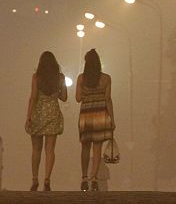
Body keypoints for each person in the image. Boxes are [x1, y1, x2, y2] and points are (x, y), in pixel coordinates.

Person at [25, 51, 67, 191]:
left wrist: (28, 116)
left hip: (38, 113)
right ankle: (47, 178)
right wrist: (58, 91)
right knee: (50, 149)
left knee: (36, 150)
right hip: (53, 112)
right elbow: (64, 97)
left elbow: (33, 97)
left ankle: (35, 179)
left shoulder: (36, 77)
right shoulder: (60, 77)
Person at [76, 49, 115, 191]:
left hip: (86, 115)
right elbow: (108, 99)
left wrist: (87, 95)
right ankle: (94, 178)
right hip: (100, 115)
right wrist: (112, 119)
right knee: (97, 148)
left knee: (85, 148)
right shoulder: (106, 78)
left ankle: (84, 177)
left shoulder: (81, 78)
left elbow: (78, 98)